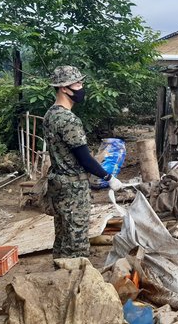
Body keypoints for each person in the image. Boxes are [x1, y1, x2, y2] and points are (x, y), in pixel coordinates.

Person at [44, 65, 124, 259]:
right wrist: (108, 177)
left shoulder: (50, 115)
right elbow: (84, 158)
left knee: (63, 236)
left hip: (58, 183)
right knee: (76, 242)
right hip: (73, 187)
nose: (81, 87)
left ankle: (59, 278)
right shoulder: (68, 119)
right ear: (64, 88)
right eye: (77, 83)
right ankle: (75, 282)